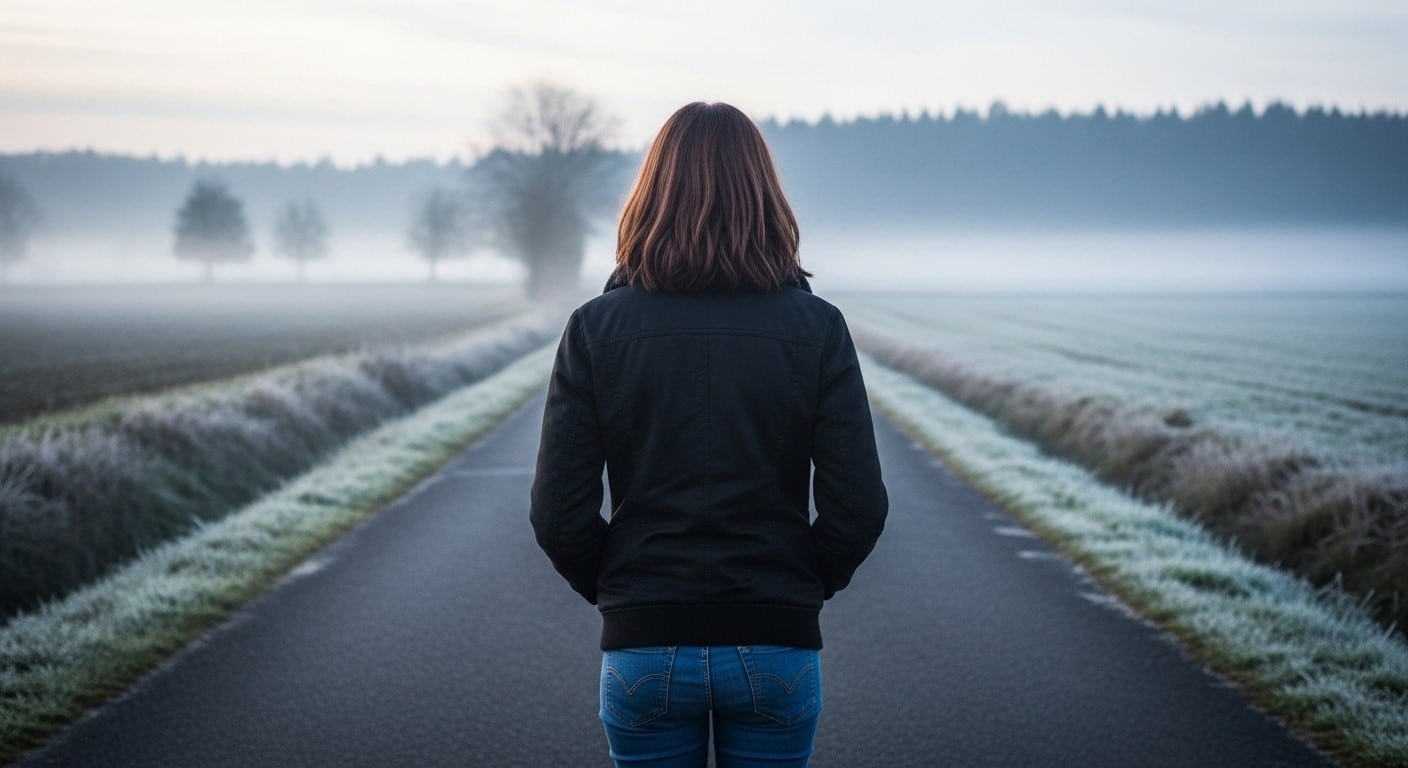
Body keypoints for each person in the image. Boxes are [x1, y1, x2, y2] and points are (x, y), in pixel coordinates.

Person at [529, 101, 888, 768]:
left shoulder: (595, 330)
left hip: (644, 643)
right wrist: (797, 588)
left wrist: (625, 593)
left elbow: (558, 516)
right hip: (777, 639)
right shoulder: (817, 330)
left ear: (650, 196)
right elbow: (859, 508)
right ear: (764, 196)